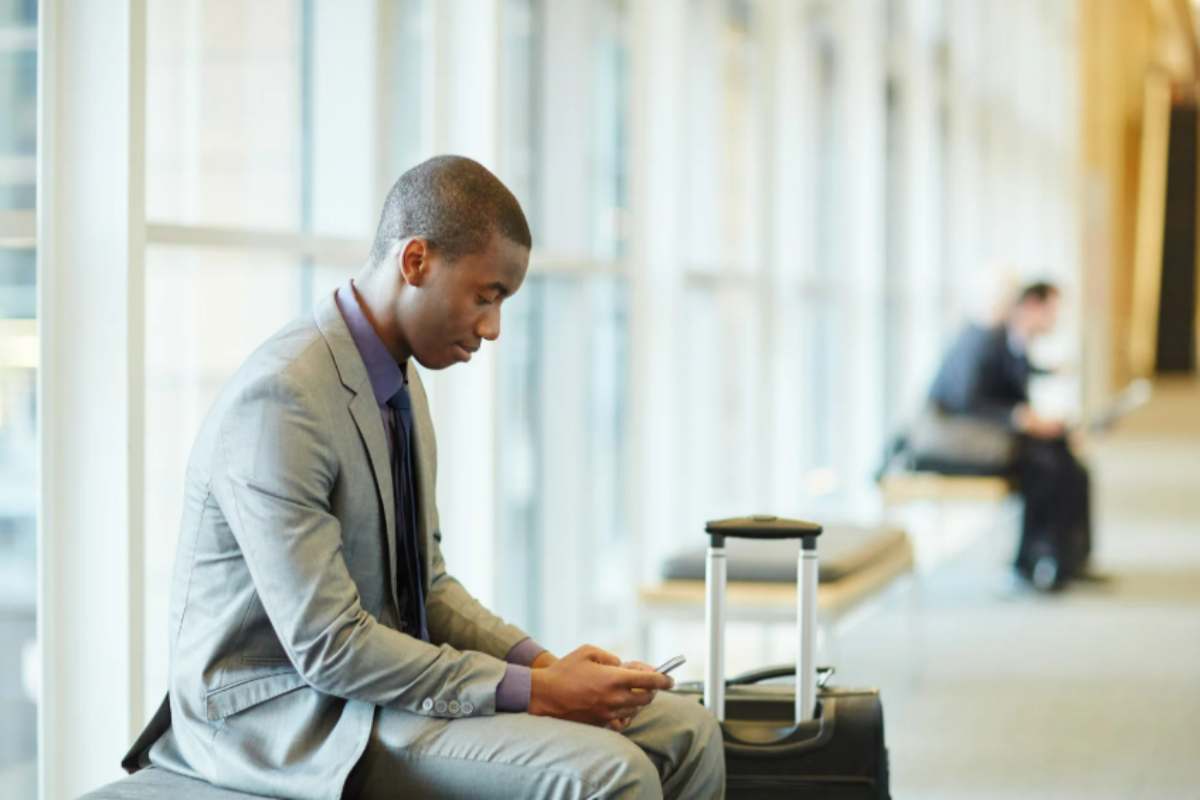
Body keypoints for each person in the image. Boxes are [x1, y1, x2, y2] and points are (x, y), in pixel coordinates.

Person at [121, 155, 725, 799]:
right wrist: (540, 693)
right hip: (286, 716)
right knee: (611, 772)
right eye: (485, 296)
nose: (492, 328)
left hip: (372, 689)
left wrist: (544, 664)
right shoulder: (281, 398)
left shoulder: (396, 380)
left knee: (686, 730)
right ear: (416, 263)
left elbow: (427, 588)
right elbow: (330, 648)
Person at [927, 282, 1093, 591]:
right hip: (964, 444)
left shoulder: (1011, 340)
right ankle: (1033, 561)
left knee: (1070, 463)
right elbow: (967, 401)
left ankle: (1070, 558)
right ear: (1030, 305)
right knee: (1046, 465)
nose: (1056, 320)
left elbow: (1014, 385)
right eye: (1052, 311)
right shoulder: (983, 339)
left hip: (991, 438)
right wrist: (1020, 418)